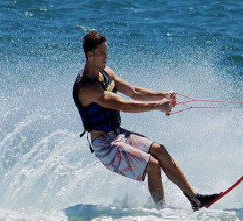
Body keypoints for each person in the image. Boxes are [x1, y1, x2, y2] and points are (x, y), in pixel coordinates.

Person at [72, 30, 220, 211]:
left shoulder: (106, 72)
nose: (106, 57)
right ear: (90, 55)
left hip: (117, 133)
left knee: (160, 150)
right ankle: (161, 212)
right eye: (101, 53)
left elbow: (134, 92)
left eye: (106, 52)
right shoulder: (88, 88)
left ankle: (195, 200)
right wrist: (158, 106)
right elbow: (124, 106)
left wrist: (163, 95)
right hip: (105, 145)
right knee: (153, 165)